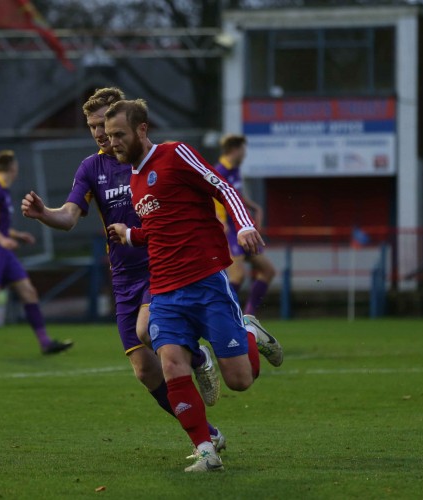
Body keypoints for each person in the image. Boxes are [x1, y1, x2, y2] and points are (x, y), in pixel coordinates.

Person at [20, 87, 224, 451]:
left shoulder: (145, 158)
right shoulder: (91, 168)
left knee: (148, 331)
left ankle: (198, 357)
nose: (99, 134)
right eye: (92, 127)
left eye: (104, 125)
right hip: (124, 277)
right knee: (146, 371)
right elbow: (68, 217)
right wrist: (44, 214)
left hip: (160, 265)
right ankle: (206, 433)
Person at [104, 99, 284, 472]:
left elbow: (223, 188)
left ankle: (249, 330)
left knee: (240, 380)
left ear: (141, 130)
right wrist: (130, 235)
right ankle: (205, 448)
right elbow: (158, 231)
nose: (112, 143)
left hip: (206, 283)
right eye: (107, 137)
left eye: (118, 134)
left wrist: (245, 224)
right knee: (170, 365)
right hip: (166, 291)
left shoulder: (175, 154)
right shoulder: (135, 180)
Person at [0, 150, 73, 357]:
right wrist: (1, 240)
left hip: (4, 250)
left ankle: (45, 343)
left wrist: (17, 235)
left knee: (28, 291)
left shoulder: (4, 191)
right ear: (12, 167)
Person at [214, 134, 276, 315]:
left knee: (268, 271)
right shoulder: (219, 171)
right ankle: (224, 316)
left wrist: (252, 206)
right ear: (235, 150)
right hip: (230, 232)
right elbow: (212, 197)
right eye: (243, 150)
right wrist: (220, 222)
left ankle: (249, 315)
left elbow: (235, 195)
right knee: (237, 276)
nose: (245, 154)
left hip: (243, 230)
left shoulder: (234, 170)